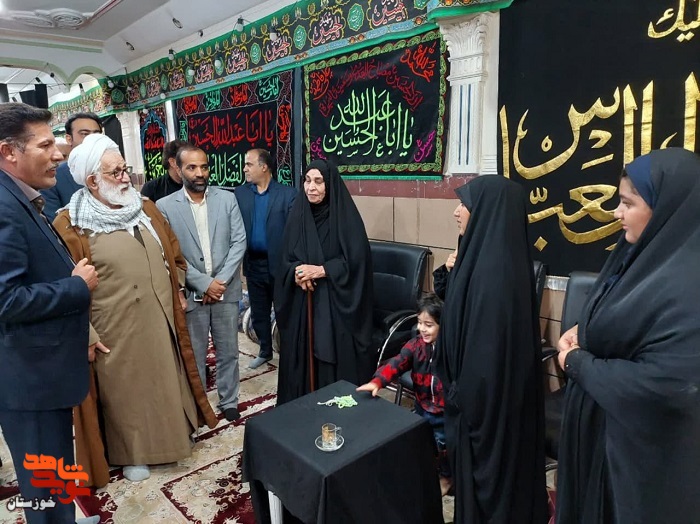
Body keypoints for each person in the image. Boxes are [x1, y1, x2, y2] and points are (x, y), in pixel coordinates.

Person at [54, 134, 217, 484]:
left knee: (167, 379)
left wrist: (178, 286)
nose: (126, 178)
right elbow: (64, 287)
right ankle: (133, 454)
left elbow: (173, 252)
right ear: (92, 181)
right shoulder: (71, 224)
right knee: (128, 394)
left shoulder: (144, 208)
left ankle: (175, 436)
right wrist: (87, 334)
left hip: (160, 317)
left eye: (125, 169)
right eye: (115, 173)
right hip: (114, 329)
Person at [555, 148, 700, 524]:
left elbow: (665, 384)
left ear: (666, 209)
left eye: (628, 203)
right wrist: (584, 329)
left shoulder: (689, 286)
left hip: (637, 466)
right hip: (598, 441)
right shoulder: (637, 255)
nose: (616, 213)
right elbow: (615, 310)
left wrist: (577, 362)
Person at [0, 103, 99, 524]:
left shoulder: (17, 196)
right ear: (9, 152)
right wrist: (76, 287)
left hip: (42, 373)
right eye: (45, 145)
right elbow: (6, 301)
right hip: (29, 381)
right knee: (43, 484)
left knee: (56, 474)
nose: (59, 154)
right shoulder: (2, 207)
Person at [435, 175, 547, 523]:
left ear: (487, 212)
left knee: (488, 489)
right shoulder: (482, 257)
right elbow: (454, 309)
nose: (456, 212)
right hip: (477, 403)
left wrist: (461, 399)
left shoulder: (495, 275)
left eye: (464, 204)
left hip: (485, 412)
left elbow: (486, 358)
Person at [157, 145, 247, 422]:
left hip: (225, 290)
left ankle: (229, 400)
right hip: (192, 293)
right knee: (194, 354)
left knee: (228, 351)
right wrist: (205, 284)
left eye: (204, 167)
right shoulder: (165, 206)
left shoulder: (227, 199)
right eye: (192, 167)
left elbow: (238, 242)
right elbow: (171, 254)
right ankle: (198, 404)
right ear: (178, 169)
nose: (199, 173)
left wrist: (218, 283)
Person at [274, 159, 374, 404]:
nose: (311, 187)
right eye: (307, 181)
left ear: (330, 185)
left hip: (335, 309)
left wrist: (322, 270)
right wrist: (297, 273)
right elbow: (285, 259)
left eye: (318, 181)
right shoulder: (298, 216)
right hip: (303, 308)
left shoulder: (345, 219)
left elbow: (357, 262)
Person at [357, 293, 452, 495]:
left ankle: (446, 477)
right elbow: (397, 362)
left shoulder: (450, 351)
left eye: (429, 325)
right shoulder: (416, 345)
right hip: (421, 405)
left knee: (444, 447)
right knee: (421, 442)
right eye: (419, 322)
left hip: (444, 412)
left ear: (442, 325)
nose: (422, 329)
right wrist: (377, 381)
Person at [235, 148, 296, 369]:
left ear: (264, 167)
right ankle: (264, 350)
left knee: (284, 311)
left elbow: (293, 233)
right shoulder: (240, 194)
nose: (244, 169)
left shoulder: (288, 195)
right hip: (253, 264)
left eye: (249, 164)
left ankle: (289, 354)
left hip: (280, 266)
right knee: (259, 311)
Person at [40, 111, 103, 221]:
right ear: (69, 139)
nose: (92, 139)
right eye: (85, 134)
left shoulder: (117, 170)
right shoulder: (53, 177)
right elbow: (55, 223)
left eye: (96, 134)